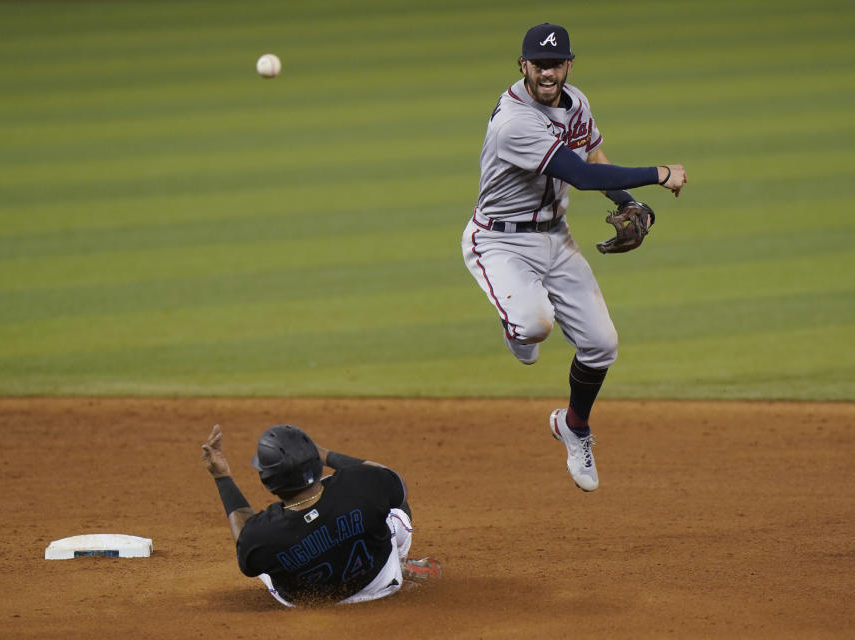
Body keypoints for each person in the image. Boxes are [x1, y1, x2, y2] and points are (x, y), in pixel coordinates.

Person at [460, 23, 688, 492]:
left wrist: (624, 201)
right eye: (539, 64)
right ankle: (517, 326)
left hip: (556, 238)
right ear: (522, 65)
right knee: (534, 326)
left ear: (568, 64)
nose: (548, 72)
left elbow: (595, 160)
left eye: (556, 63)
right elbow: (580, 176)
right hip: (499, 242)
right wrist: (658, 173)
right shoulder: (513, 121)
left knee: (602, 345)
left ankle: (574, 426)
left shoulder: (576, 102)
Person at [200, 423, 441, 606]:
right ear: (315, 463)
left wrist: (222, 477)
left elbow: (244, 538)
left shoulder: (261, 533)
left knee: (259, 558)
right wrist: (325, 454)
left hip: (304, 604)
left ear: (267, 480)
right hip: (382, 582)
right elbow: (393, 480)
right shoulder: (361, 485)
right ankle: (401, 562)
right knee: (393, 510)